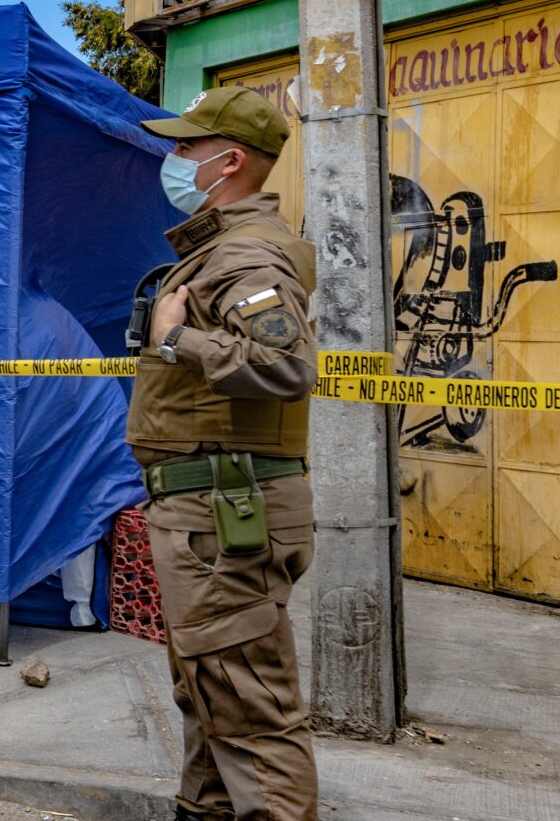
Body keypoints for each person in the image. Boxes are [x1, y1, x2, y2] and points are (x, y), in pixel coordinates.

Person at [131, 87, 318, 821]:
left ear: (231, 161)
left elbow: (285, 364)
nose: (174, 159)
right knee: (212, 687)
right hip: (212, 509)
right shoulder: (220, 250)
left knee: (249, 707)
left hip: (225, 512)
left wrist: (176, 339)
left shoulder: (244, 255)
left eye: (186, 146)